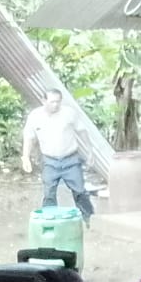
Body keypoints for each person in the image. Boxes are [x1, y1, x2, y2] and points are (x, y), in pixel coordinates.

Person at [21, 89, 95, 226]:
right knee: (49, 193)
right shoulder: (35, 116)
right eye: (52, 102)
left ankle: (88, 220)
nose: (55, 105)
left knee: (79, 191)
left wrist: (90, 151)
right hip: (49, 161)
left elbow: (82, 131)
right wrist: (25, 157)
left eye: (58, 102)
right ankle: (50, 222)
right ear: (44, 101)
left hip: (71, 159)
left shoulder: (69, 113)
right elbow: (29, 137)